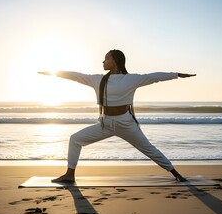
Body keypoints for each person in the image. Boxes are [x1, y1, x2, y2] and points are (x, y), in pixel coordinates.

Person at [38, 49, 196, 182]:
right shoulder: (98, 80)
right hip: (105, 124)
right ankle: (69, 174)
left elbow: (154, 77)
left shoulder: (131, 79)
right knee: (75, 139)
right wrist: (54, 73)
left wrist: (177, 74)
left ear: (115, 61)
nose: (103, 62)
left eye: (106, 58)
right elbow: (76, 75)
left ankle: (176, 174)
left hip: (125, 123)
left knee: (149, 150)